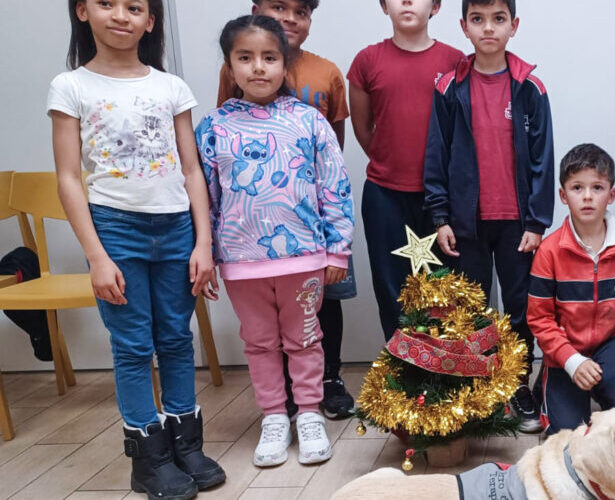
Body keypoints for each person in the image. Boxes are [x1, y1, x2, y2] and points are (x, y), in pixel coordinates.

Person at [49, 0, 224, 497]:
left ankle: (186, 445)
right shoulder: (71, 86)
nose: (120, 16)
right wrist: (97, 257)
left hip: (176, 228)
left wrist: (204, 242)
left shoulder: (170, 86)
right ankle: (149, 458)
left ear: (150, 21)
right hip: (115, 228)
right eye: (107, 3)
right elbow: (69, 178)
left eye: (135, 7)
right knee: (132, 345)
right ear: (82, 11)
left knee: (176, 338)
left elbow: (191, 169)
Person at [198, 15, 354, 467]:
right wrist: (207, 254)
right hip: (241, 262)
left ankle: (308, 413)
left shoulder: (309, 121)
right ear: (230, 66)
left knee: (305, 339)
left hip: (303, 259)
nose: (258, 67)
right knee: (260, 343)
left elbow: (334, 186)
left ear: (285, 65)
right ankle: (273, 416)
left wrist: (338, 249)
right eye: (245, 58)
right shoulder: (213, 127)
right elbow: (205, 196)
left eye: (269, 58)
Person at [424, 0, 554, 433]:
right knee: (473, 310)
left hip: (517, 224)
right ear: (464, 27)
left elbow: (543, 158)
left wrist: (536, 222)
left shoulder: (530, 87)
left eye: (498, 19)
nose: (488, 29)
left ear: (513, 26)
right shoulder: (449, 87)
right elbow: (437, 153)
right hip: (466, 223)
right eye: (478, 20)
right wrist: (440, 215)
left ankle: (517, 386)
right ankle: (480, 391)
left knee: (519, 309)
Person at [348, 0, 464, 342]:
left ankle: (443, 364)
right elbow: (364, 128)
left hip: (441, 199)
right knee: (392, 289)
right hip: (385, 196)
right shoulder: (367, 60)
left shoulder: (456, 61)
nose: (408, 2)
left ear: (436, 6)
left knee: (444, 288)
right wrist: (392, 165)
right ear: (385, 6)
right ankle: (403, 366)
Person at [528, 144, 615, 434]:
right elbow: (539, 318)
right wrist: (572, 361)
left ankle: (604, 391)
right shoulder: (549, 251)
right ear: (563, 195)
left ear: (611, 194)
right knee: (567, 432)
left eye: (597, 187)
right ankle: (554, 381)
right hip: (565, 347)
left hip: (612, 341)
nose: (587, 196)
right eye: (577, 187)